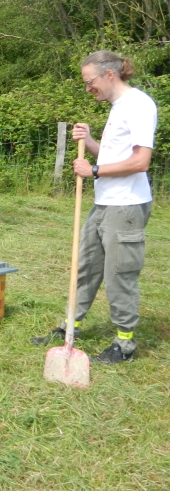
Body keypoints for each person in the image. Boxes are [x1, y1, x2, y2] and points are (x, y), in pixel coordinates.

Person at [32, 50, 156, 363]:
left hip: (126, 206)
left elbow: (141, 161)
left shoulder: (139, 105)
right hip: (104, 204)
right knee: (84, 266)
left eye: (90, 82)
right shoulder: (118, 106)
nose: (88, 88)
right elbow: (113, 156)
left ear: (109, 75)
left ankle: (124, 344)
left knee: (119, 275)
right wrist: (89, 142)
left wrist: (94, 171)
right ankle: (69, 327)